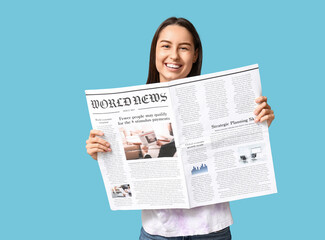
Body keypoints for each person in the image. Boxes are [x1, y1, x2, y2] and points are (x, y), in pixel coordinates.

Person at [85, 17, 275, 240]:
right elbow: (127, 175)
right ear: (154, 51)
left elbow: (239, 152)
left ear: (195, 55)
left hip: (212, 230)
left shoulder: (215, 100)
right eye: (165, 46)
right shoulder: (130, 110)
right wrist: (103, 153)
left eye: (183, 48)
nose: (173, 56)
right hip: (158, 232)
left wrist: (258, 125)